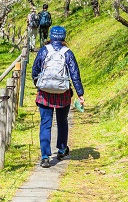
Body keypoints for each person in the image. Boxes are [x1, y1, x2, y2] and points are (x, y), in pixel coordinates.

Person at [31, 25, 84, 168]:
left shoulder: (43, 51)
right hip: (63, 94)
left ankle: (45, 156)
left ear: (51, 36)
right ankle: (61, 149)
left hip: (45, 94)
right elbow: (75, 75)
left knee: (45, 123)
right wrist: (80, 94)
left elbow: (35, 70)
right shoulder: (68, 53)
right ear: (63, 37)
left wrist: (39, 85)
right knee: (62, 121)